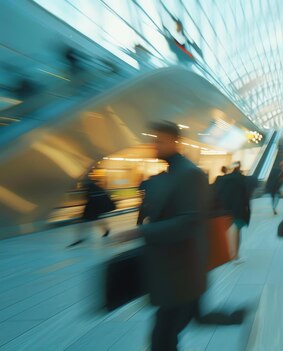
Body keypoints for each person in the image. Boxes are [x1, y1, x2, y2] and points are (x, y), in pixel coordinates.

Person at [113, 121, 209, 351]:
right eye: (153, 141)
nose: (154, 146)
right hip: (171, 275)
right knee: (164, 339)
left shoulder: (190, 174)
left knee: (162, 339)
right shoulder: (172, 173)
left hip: (181, 276)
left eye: (159, 141)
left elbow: (189, 222)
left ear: (175, 142)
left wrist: (139, 230)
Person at [215, 161, 252, 264]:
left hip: (225, 209)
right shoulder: (242, 179)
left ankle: (234, 254)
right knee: (236, 229)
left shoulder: (222, 179)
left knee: (233, 229)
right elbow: (246, 195)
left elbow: (217, 193)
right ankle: (234, 255)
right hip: (239, 209)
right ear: (239, 167)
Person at [67, 177, 114, 247]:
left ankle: (79, 238)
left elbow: (87, 198)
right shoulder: (96, 187)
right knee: (96, 219)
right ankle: (106, 230)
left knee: (84, 221)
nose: (81, 185)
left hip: (91, 208)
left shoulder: (90, 188)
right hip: (95, 207)